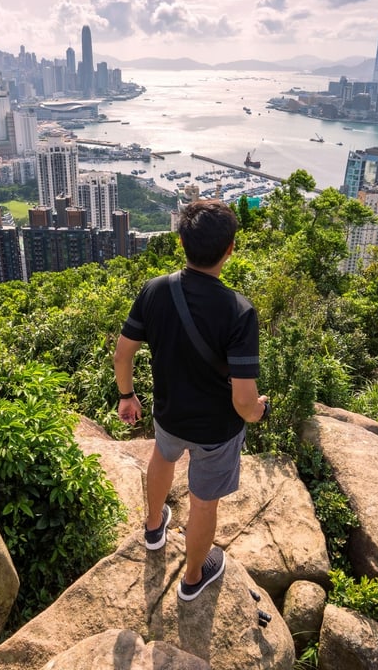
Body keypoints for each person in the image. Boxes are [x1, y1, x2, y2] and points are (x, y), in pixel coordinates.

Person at [113, 199, 270, 601]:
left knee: (162, 458)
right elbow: (243, 401)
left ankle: (153, 528)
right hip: (216, 431)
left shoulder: (155, 289)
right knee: (203, 503)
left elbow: (123, 352)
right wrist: (258, 412)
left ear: (181, 242)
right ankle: (193, 578)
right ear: (231, 248)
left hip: (168, 415)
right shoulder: (239, 312)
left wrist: (127, 396)